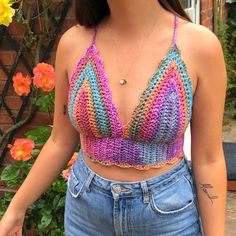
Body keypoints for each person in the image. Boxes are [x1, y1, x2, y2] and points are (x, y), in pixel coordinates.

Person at [0, 0, 227, 235]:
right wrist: (17, 208)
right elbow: (60, 141)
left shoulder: (200, 46)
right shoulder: (74, 43)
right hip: (85, 215)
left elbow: (208, 159)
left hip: (167, 218)